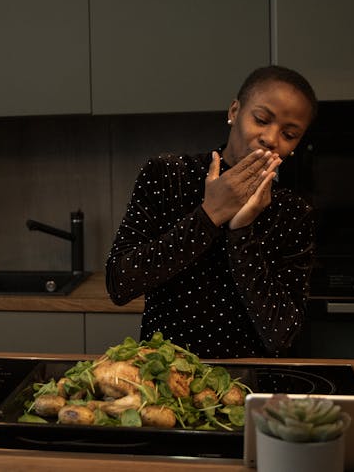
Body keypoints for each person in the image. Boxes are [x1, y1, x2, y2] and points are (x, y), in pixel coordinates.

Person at [105, 65, 318, 358]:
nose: (271, 138)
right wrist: (209, 215)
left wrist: (242, 232)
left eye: (289, 133)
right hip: (167, 380)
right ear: (234, 111)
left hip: (252, 385)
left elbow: (282, 335)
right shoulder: (168, 176)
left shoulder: (293, 213)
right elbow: (119, 284)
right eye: (261, 119)